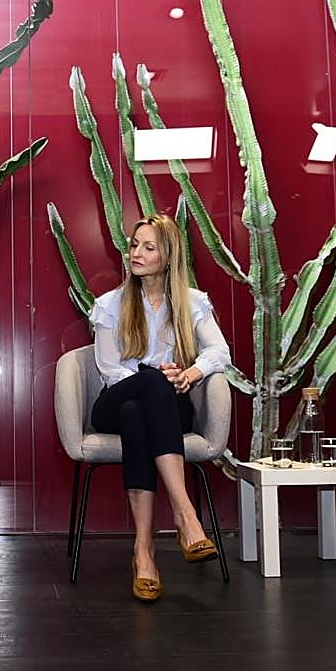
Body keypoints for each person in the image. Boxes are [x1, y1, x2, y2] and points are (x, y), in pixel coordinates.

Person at [89, 214, 232, 602]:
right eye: (134, 245)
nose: (136, 253)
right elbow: (110, 370)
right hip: (112, 403)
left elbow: (219, 351)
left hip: (161, 409)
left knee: (138, 414)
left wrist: (189, 375)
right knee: (149, 384)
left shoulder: (192, 301)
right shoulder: (110, 304)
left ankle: (144, 551)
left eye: (148, 247)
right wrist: (158, 378)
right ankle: (185, 515)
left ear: (168, 257)